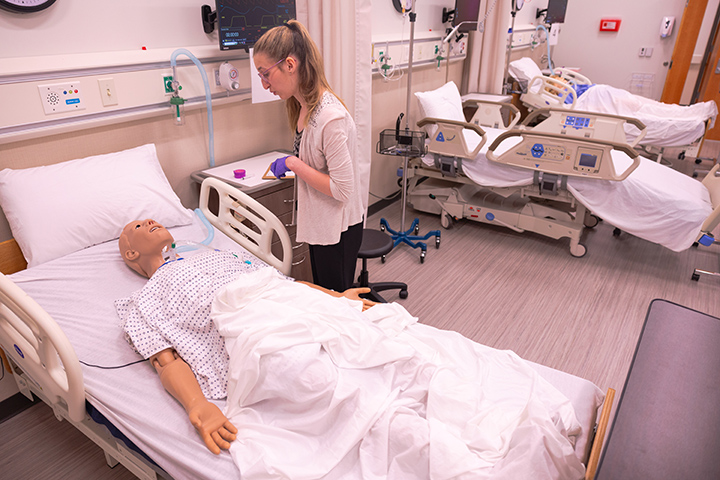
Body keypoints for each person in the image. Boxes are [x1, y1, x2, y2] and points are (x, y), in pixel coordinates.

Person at [115, 218, 376, 455]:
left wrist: (334, 297)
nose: (150, 220)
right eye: (137, 227)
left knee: (371, 346)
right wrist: (196, 405)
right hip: (251, 331)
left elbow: (280, 281)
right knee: (323, 381)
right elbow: (165, 360)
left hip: (289, 303)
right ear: (131, 253)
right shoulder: (143, 301)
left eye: (151, 219)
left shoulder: (219, 255)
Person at [253, 20, 370, 292]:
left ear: (290, 65)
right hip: (323, 223)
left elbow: (342, 189)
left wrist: (292, 163)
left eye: (265, 74)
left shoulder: (330, 118)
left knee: (338, 303)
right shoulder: (302, 107)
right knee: (325, 298)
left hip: (339, 229)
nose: (263, 84)